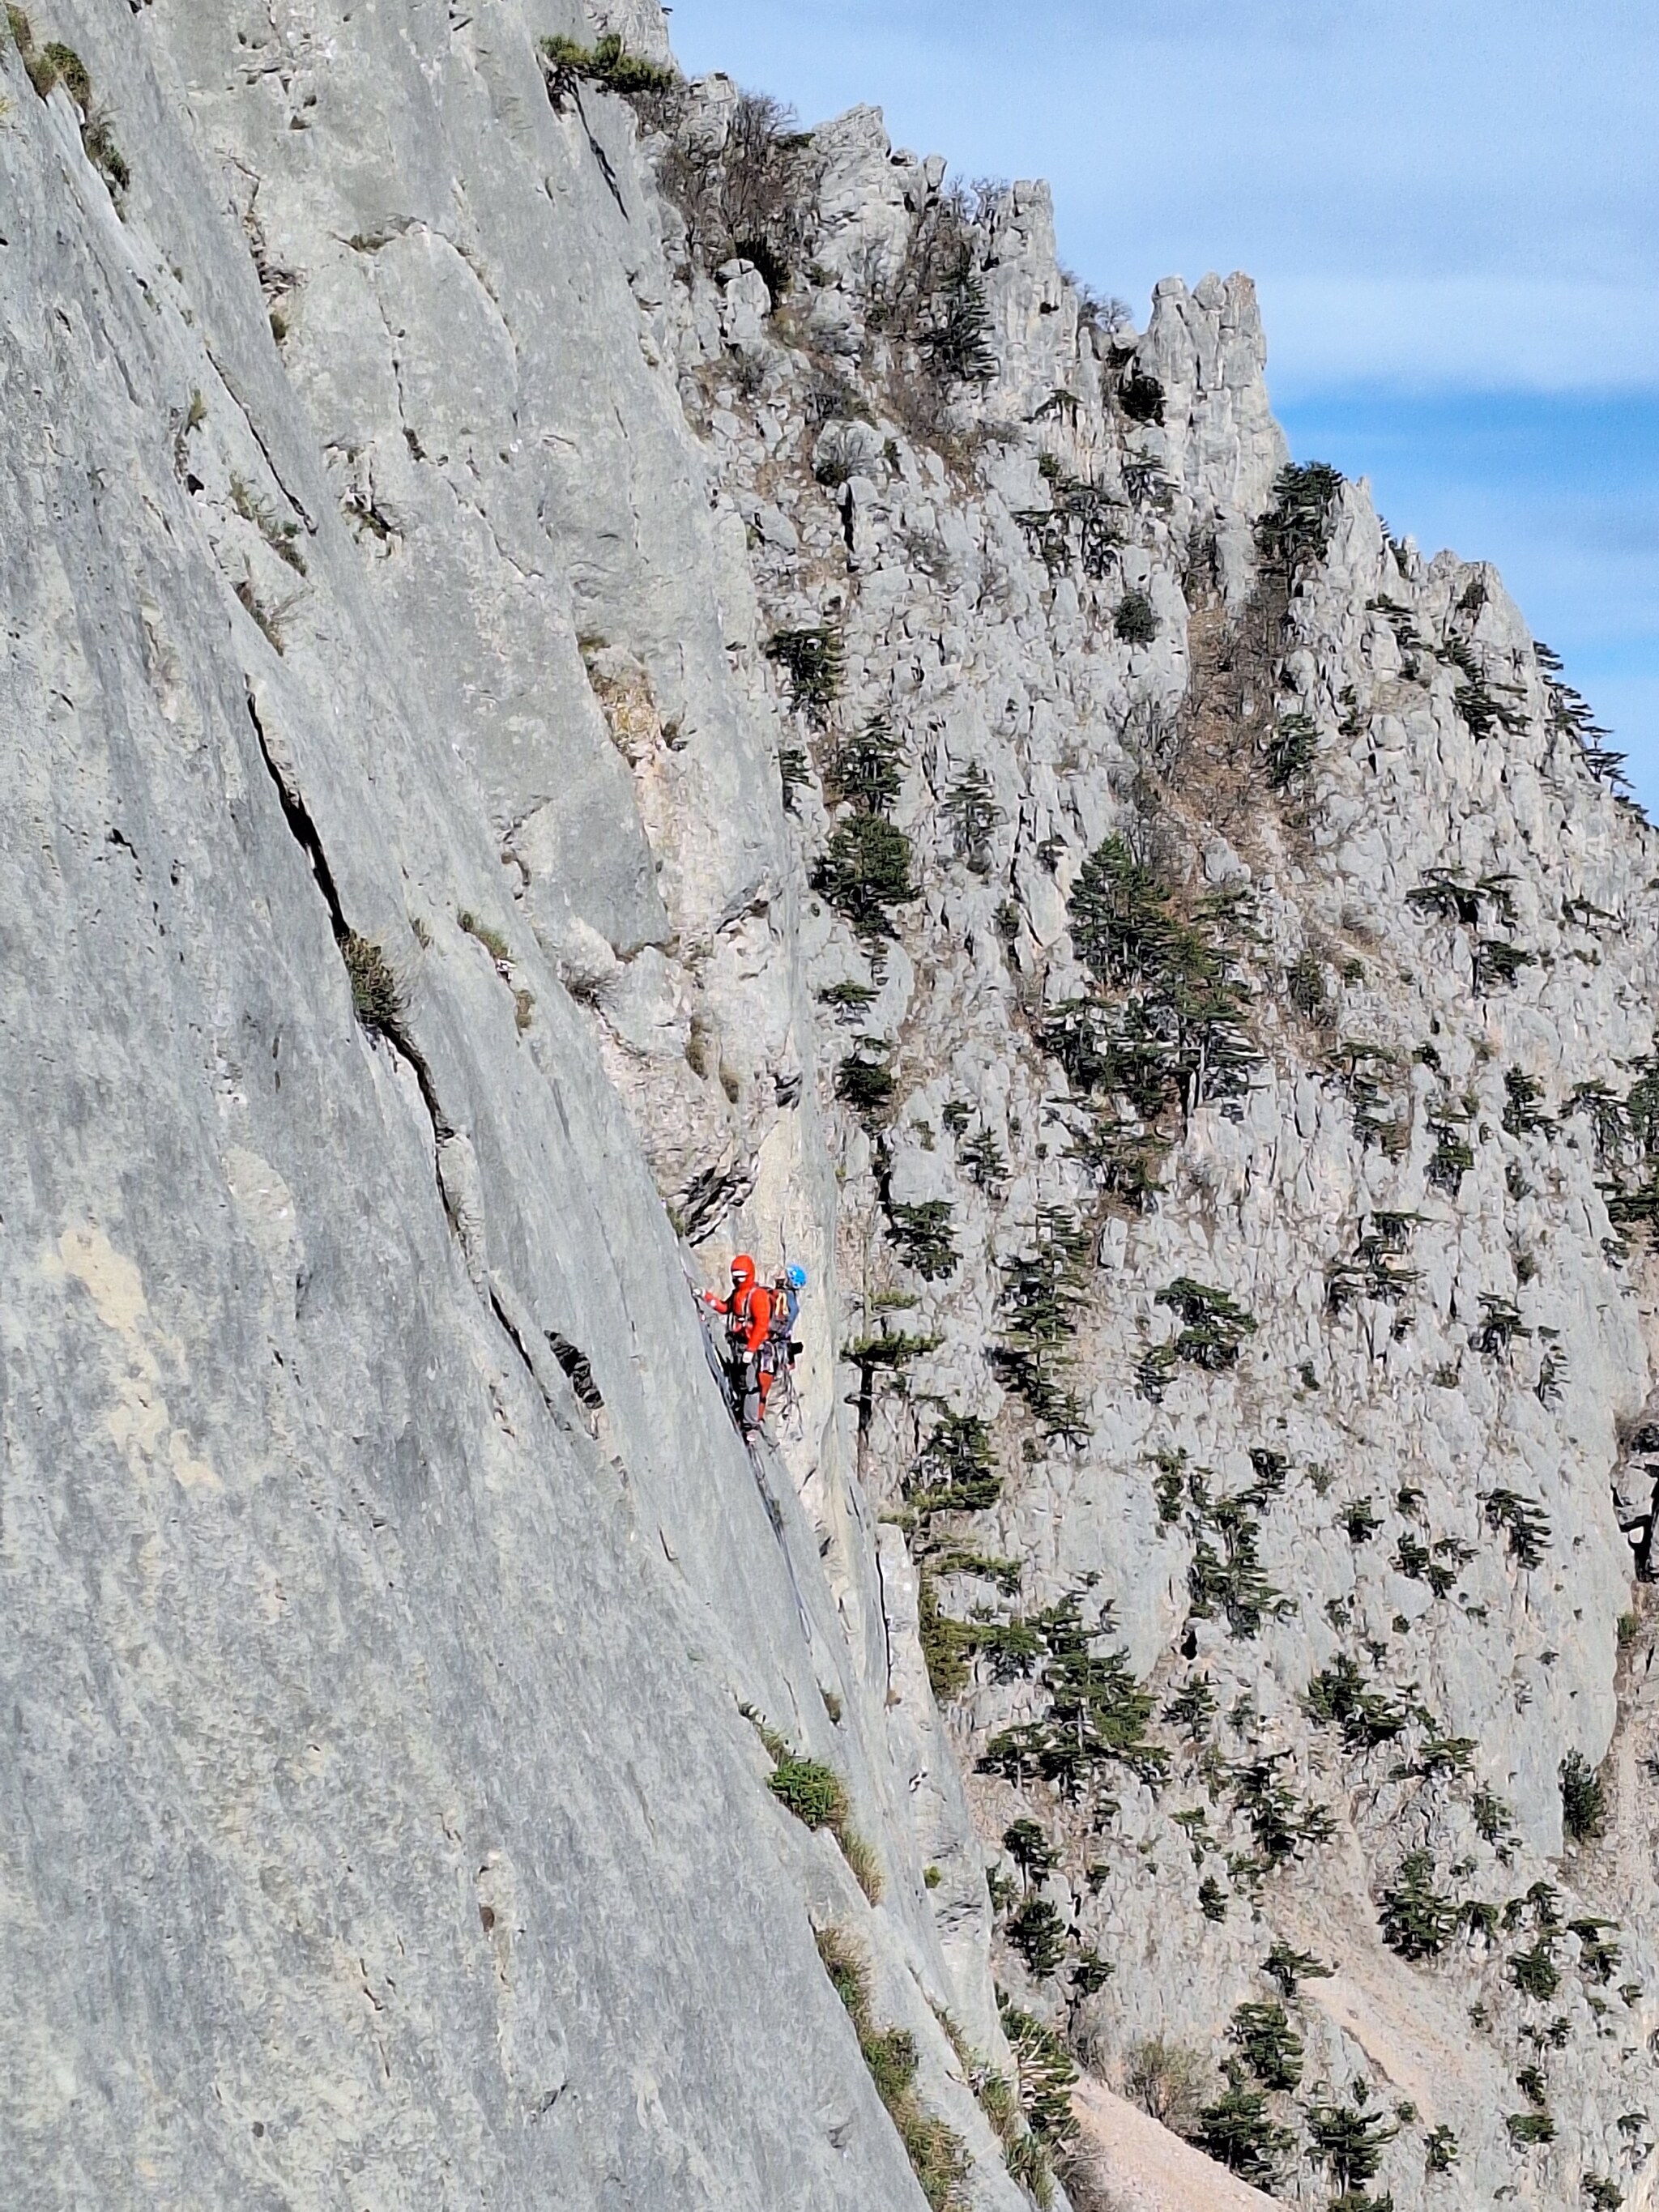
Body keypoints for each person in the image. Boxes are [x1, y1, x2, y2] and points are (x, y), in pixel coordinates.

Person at [701, 1254, 773, 1432]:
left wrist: (751, 1349)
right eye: (735, 1276)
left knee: (750, 1385)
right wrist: (705, 1296)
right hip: (739, 1343)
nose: (737, 1280)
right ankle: (741, 1414)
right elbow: (726, 1308)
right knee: (738, 1380)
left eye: (741, 1276)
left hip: (750, 1347)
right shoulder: (738, 1294)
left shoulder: (758, 1296)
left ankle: (750, 1425)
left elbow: (761, 1324)